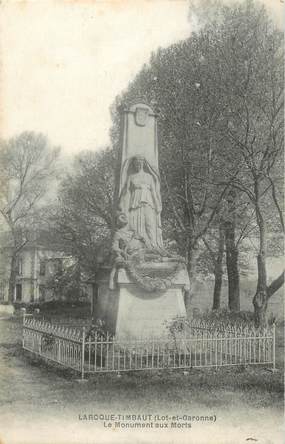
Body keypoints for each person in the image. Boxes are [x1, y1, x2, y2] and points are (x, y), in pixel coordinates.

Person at [118, 155, 163, 250]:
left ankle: (154, 247)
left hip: (148, 203)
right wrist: (121, 204)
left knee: (150, 225)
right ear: (134, 165)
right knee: (135, 226)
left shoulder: (149, 177)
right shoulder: (131, 177)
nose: (137, 165)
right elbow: (126, 191)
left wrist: (158, 204)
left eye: (139, 163)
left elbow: (154, 193)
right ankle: (139, 247)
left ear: (143, 164)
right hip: (135, 204)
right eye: (135, 164)